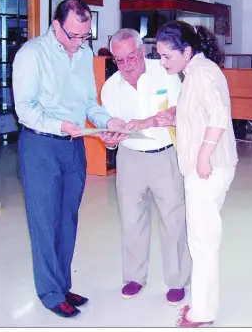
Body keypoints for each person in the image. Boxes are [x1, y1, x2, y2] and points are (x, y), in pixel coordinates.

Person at [12, 0, 127, 319]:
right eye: (73, 36)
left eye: (85, 36)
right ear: (56, 25)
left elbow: (90, 102)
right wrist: (58, 125)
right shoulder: (32, 54)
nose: (79, 43)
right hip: (41, 146)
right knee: (45, 222)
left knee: (67, 220)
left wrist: (109, 121)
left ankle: (62, 284)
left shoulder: (85, 54)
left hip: (74, 147)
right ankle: (50, 293)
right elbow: (25, 108)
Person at [155, 21, 238, 327]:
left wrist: (203, 157)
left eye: (166, 56)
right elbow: (201, 112)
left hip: (209, 169)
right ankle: (200, 305)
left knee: (202, 242)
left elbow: (218, 116)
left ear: (186, 51)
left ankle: (203, 313)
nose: (163, 62)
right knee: (200, 240)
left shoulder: (202, 73)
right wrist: (176, 116)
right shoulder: (195, 72)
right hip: (205, 167)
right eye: (160, 56)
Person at [100, 28, 191, 305]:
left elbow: (182, 109)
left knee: (173, 220)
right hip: (129, 159)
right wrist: (110, 142)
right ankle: (134, 277)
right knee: (131, 220)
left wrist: (156, 119)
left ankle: (176, 281)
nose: (126, 65)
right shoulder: (110, 88)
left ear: (142, 51)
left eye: (131, 57)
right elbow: (111, 131)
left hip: (165, 156)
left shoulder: (165, 71)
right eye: (119, 60)